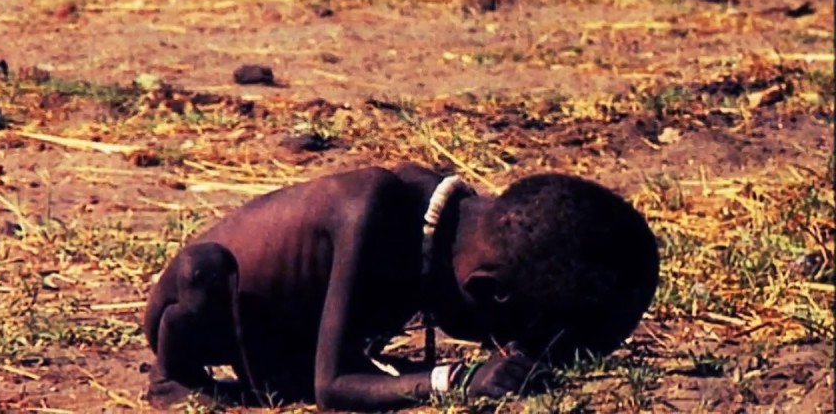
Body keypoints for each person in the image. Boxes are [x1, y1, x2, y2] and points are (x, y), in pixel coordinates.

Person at [143, 163, 660, 410]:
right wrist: (453, 380)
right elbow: (331, 388)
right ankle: (172, 380)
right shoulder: (370, 213)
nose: (504, 348)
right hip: (208, 307)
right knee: (202, 273)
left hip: (282, 338)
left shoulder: (443, 225)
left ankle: (268, 376)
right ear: (486, 292)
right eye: (508, 335)